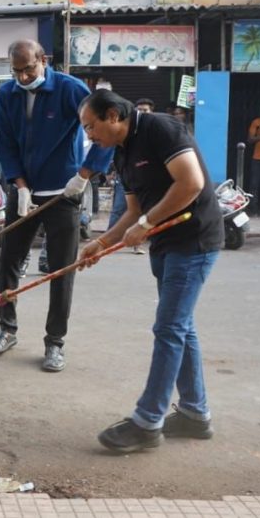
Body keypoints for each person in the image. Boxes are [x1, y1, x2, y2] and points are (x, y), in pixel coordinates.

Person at [77, 89, 223, 453]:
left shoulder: (161, 129)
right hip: (164, 243)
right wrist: (102, 242)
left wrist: (146, 221)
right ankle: (194, 414)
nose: (89, 135)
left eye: (91, 126)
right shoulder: (121, 154)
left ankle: (147, 421)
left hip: (194, 239)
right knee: (181, 326)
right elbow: (132, 211)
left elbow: (191, 184)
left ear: (113, 115)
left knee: (169, 327)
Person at [0, 39, 113, 372]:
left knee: (61, 269)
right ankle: (6, 328)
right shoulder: (6, 94)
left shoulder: (70, 90)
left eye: (29, 69)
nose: (24, 78)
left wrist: (84, 175)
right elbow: (5, 142)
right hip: (25, 192)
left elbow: (108, 130)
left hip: (64, 193)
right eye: (17, 71)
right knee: (8, 261)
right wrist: (19, 184)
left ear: (43, 60)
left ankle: (55, 342)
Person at [109, 98, 154, 254]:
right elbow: (117, 155)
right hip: (127, 178)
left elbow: (190, 184)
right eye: (139, 109)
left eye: (145, 110)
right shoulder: (122, 138)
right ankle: (110, 240)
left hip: (147, 182)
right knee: (120, 208)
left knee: (144, 211)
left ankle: (138, 242)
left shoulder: (157, 131)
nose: (141, 113)